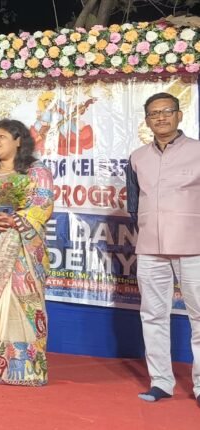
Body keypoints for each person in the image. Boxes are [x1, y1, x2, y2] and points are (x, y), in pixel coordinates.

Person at [0, 119, 54, 386]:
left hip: (22, 247)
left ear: (18, 140)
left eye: (2, 136)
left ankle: (26, 369)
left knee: (23, 302)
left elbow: (42, 205)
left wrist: (12, 222)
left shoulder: (36, 171)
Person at [125, 92, 200, 405]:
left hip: (194, 246)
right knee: (153, 315)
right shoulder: (137, 157)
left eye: (167, 111)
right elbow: (133, 204)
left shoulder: (197, 150)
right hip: (150, 248)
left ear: (179, 115)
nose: (161, 117)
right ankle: (161, 382)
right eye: (154, 113)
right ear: (147, 120)